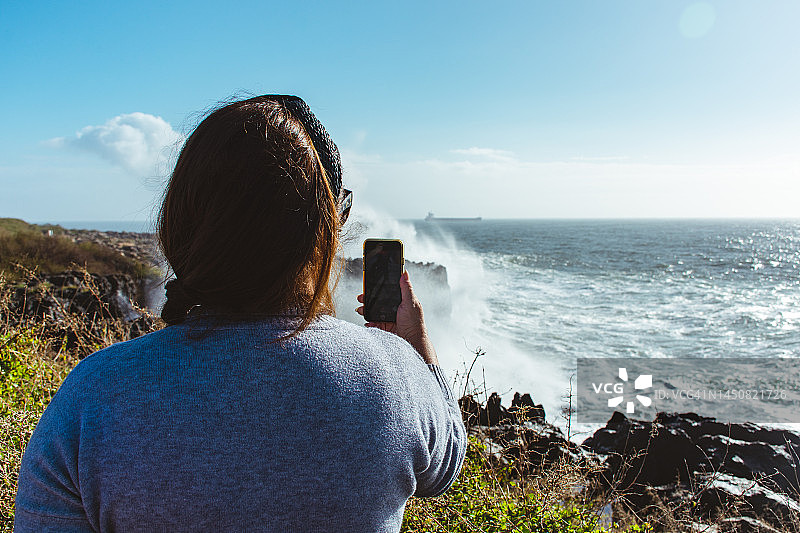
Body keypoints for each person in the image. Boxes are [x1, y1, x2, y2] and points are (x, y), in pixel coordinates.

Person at [14, 95, 467, 532]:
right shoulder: (396, 376)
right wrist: (414, 349)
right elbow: (446, 465)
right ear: (324, 231)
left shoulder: (96, 395)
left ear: (180, 223)